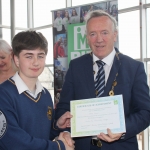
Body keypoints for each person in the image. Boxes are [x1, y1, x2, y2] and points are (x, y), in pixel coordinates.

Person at [55, 10, 150, 150]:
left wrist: (123, 129)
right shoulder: (76, 66)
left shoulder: (134, 68)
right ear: (87, 37)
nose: (99, 39)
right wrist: (63, 127)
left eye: (104, 33)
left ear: (115, 35)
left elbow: (145, 112)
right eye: (93, 34)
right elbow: (63, 107)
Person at [0, 31, 74, 150]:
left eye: (40, 56)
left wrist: (57, 126)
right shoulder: (3, 95)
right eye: (29, 56)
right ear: (16, 59)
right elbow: (14, 143)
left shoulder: (45, 94)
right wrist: (58, 146)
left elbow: (43, 136)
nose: (35, 62)